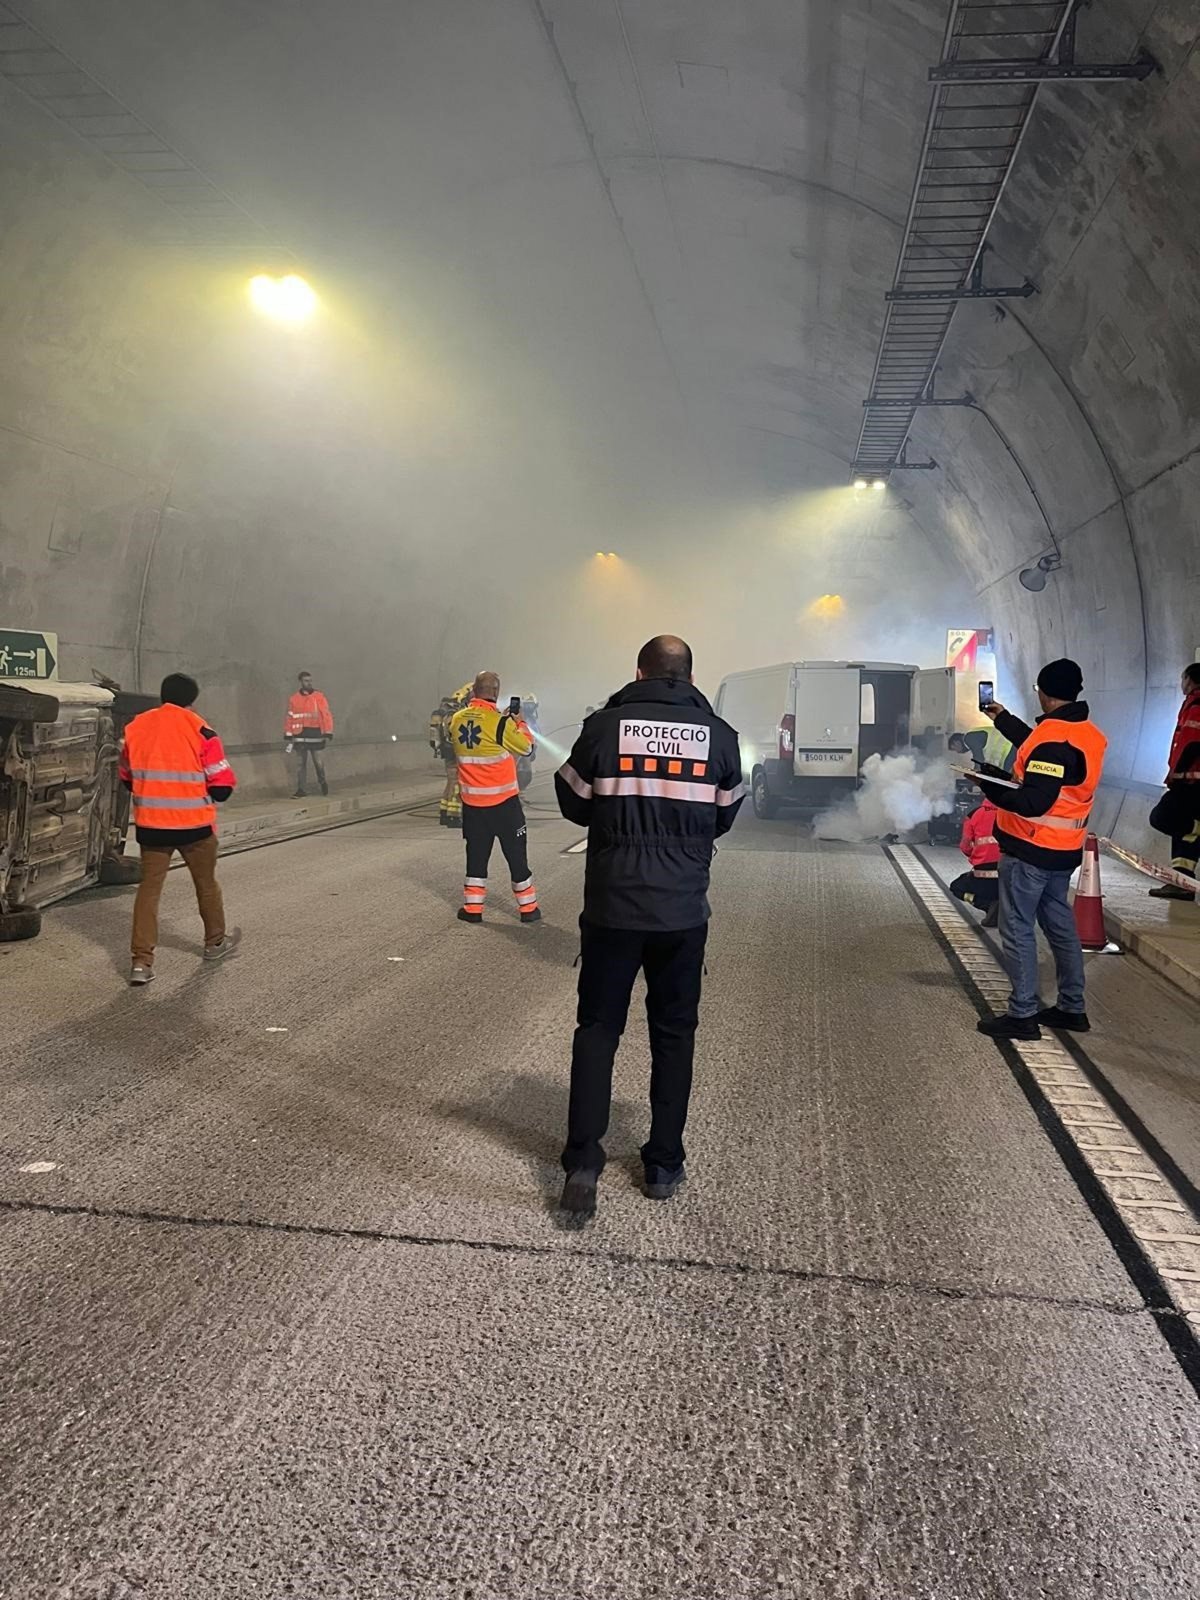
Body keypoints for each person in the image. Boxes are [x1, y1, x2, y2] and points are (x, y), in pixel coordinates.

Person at [554, 634, 744, 1217]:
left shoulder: (603, 728)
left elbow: (573, 802)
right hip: (682, 912)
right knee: (674, 1034)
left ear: (639, 673)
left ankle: (584, 1162)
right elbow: (724, 815)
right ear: (690, 678)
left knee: (597, 1030)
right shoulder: (720, 736)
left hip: (612, 907)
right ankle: (663, 1163)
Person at [970, 659, 1107, 1040]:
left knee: (1017, 928)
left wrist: (989, 784)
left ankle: (1022, 1015)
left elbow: (1033, 801)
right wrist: (1003, 719)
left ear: (1044, 693)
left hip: (1031, 848)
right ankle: (1072, 1007)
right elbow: (1043, 752)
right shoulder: (1084, 732)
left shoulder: (1053, 741)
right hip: (1063, 850)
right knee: (1060, 927)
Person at [118, 673, 238, 986]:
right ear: (191, 700)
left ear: (162, 696)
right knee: (206, 884)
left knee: (149, 891)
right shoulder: (201, 729)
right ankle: (215, 943)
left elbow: (127, 777)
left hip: (151, 827)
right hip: (194, 828)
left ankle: (141, 963)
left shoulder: (135, 727)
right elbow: (222, 787)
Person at [448, 672, 539, 924]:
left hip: (473, 806)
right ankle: (528, 909)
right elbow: (527, 748)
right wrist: (520, 723)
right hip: (504, 805)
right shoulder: (500, 723)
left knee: (476, 857)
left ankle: (473, 909)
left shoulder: (456, 720)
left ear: (473, 691)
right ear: (496, 693)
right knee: (516, 857)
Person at [1147, 663, 1200, 900]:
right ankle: (1182, 882)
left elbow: (1192, 742)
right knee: (1184, 832)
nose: (1181, 684)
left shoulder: (1197, 705)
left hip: (1191, 781)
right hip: (1188, 779)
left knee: (1162, 817)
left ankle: (1197, 828)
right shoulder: (1191, 703)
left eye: (1183, 678)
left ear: (1190, 679)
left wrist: (1177, 773)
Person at [950, 796, 1001, 927]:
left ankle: (986, 904)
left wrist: (978, 855)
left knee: (956, 888)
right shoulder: (1013, 813)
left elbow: (965, 846)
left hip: (982, 875)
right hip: (1008, 874)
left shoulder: (974, 814)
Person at [284, 671, 334, 797]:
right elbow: (290, 716)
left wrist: (328, 731)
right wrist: (288, 733)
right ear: (301, 682)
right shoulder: (294, 699)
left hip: (315, 734)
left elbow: (326, 714)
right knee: (300, 764)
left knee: (318, 762)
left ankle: (322, 781)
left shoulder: (319, 696)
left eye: (310, 680)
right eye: (306, 681)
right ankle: (301, 789)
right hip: (300, 735)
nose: (309, 683)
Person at [430, 683, 471, 827]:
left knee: (450, 782)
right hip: (455, 752)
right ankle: (454, 816)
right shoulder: (456, 714)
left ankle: (444, 812)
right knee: (457, 783)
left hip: (447, 751)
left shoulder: (445, 713)